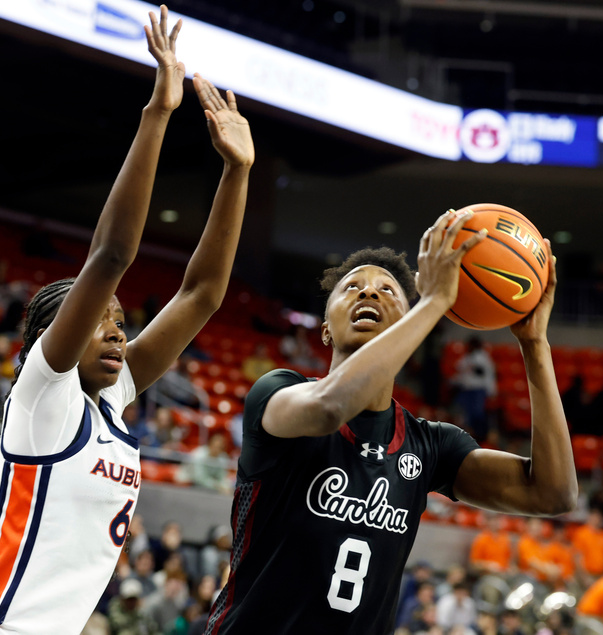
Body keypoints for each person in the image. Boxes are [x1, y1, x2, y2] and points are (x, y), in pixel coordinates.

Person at [0, 5, 253, 635]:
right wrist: (159, 113)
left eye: (122, 320)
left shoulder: (113, 401)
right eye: (100, 319)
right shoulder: (43, 394)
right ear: (52, 339)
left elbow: (203, 294)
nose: (117, 331)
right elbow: (110, 256)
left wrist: (237, 171)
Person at [204, 210, 576, 634]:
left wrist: (534, 345)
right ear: (325, 330)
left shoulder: (429, 446)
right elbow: (331, 406)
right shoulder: (276, 393)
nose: (370, 294)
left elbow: (553, 494)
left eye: (387, 290)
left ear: (406, 323)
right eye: (352, 288)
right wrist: (435, 301)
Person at [453, 336, 497, 440]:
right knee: (466, 415)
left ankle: (480, 437)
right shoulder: (468, 356)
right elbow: (460, 369)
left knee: (477, 414)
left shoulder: (482, 357)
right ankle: (469, 436)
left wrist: (491, 391)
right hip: (466, 390)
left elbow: (487, 375)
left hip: (477, 390)